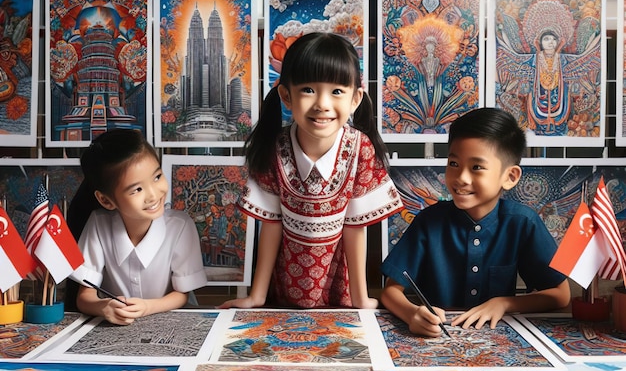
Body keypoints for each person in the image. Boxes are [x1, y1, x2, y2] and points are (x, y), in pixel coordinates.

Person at [220, 32, 403, 310]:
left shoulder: (360, 148)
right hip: (283, 289)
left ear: (355, 99)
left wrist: (361, 298)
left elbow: (356, 228)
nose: (322, 104)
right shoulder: (275, 148)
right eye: (308, 90)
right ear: (286, 95)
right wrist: (256, 296)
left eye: (337, 91)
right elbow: (271, 224)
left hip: (339, 289)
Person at [380, 107, 571, 336]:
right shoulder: (429, 222)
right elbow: (390, 291)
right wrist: (411, 314)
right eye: (454, 164)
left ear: (510, 177)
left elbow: (561, 295)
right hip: (438, 336)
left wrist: (504, 303)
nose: (461, 178)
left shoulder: (522, 222)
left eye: (477, 167)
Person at [68, 129, 207, 325]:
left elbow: (182, 295)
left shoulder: (181, 226)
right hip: (117, 330)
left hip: (170, 323)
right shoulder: (98, 224)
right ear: (106, 200)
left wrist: (147, 307)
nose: (153, 195)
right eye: (137, 189)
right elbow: (84, 297)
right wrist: (104, 307)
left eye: (157, 177)